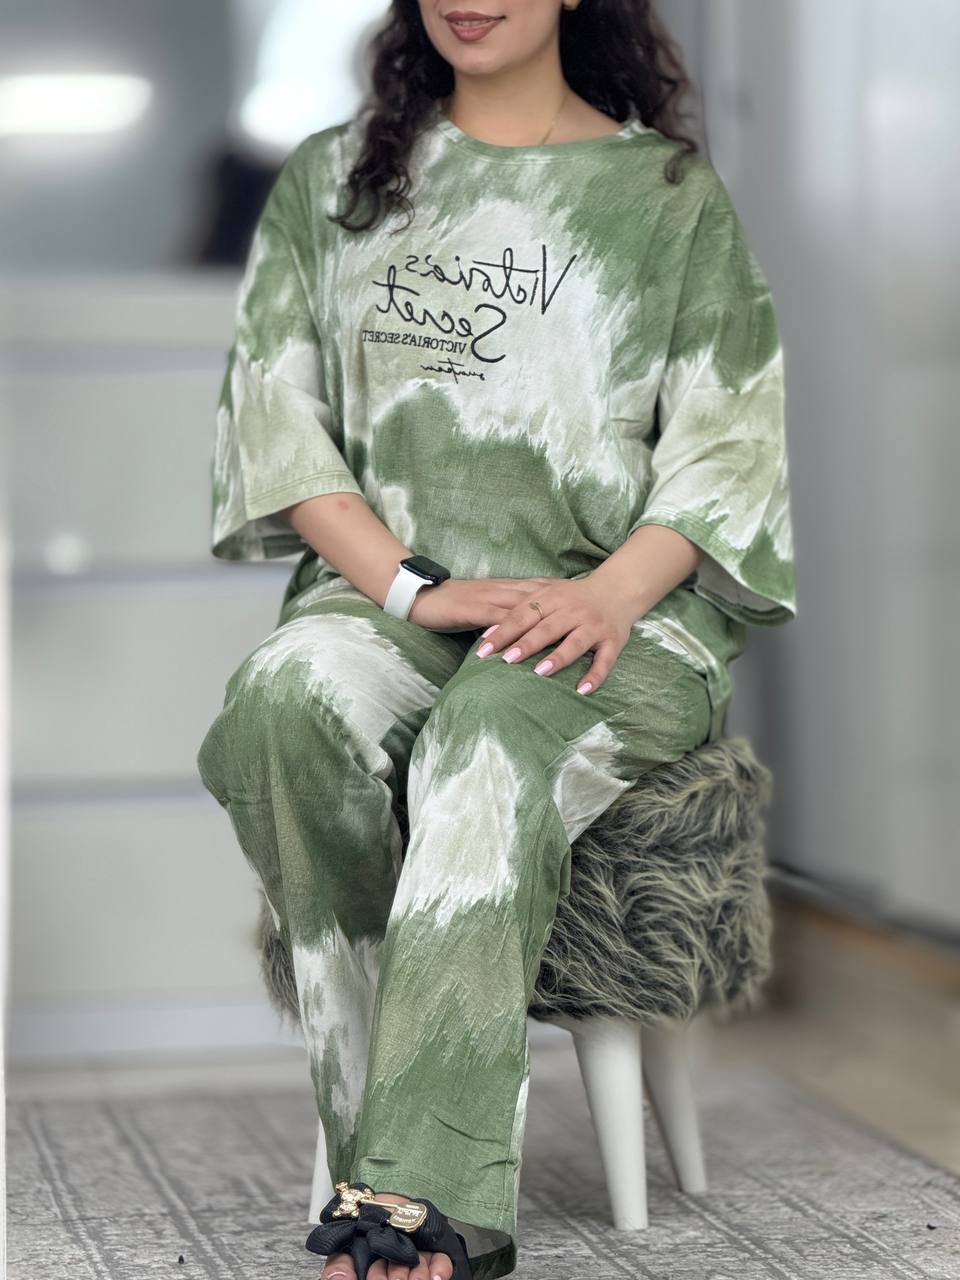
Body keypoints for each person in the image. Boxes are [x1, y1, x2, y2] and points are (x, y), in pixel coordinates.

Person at [195, 2, 798, 1277]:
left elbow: (727, 449)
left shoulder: (668, 197)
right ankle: (380, 1146)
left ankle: (424, 1197)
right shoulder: (332, 181)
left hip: (624, 616)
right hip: (397, 604)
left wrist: (606, 595)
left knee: (490, 728)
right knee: (283, 700)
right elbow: (277, 428)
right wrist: (419, 591)